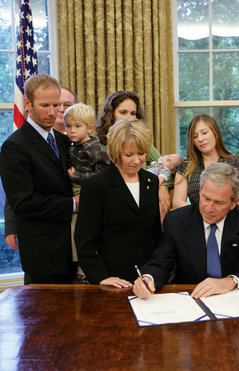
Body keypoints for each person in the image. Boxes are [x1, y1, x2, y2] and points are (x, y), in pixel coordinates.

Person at [133, 162, 239, 299]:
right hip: (190, 300)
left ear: (234, 203)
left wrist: (230, 281)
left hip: (233, 301)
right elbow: (160, 262)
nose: (209, 208)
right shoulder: (177, 221)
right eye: (206, 198)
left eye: (219, 203)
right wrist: (148, 278)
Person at [0, 74, 77, 284]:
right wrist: (72, 203)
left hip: (73, 249)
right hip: (44, 256)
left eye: (57, 105)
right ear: (28, 104)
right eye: (45, 105)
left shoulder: (63, 141)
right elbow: (24, 202)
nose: (53, 112)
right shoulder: (14, 147)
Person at [75, 118, 161, 287]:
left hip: (147, 278)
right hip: (112, 279)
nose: (136, 160)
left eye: (141, 153)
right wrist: (101, 277)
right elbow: (84, 240)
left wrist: (154, 273)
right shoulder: (96, 185)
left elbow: (155, 232)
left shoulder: (152, 181)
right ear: (115, 152)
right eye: (129, 155)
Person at [96, 90, 177, 221]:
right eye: (123, 112)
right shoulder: (98, 145)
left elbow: (167, 168)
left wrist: (162, 187)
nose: (129, 117)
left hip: (146, 203)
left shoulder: (142, 143)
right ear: (111, 115)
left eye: (133, 113)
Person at [64, 103, 110, 275]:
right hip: (73, 189)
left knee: (80, 227)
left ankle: (83, 266)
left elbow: (101, 176)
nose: (72, 131)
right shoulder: (72, 145)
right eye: (68, 126)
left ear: (90, 128)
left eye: (77, 126)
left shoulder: (95, 148)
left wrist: (76, 176)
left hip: (85, 191)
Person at [172, 114, 239, 209]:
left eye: (204, 133)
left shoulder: (238, 162)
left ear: (215, 132)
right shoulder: (186, 167)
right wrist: (201, 212)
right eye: (195, 136)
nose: (200, 139)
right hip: (198, 221)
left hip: (233, 221)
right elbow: (177, 202)